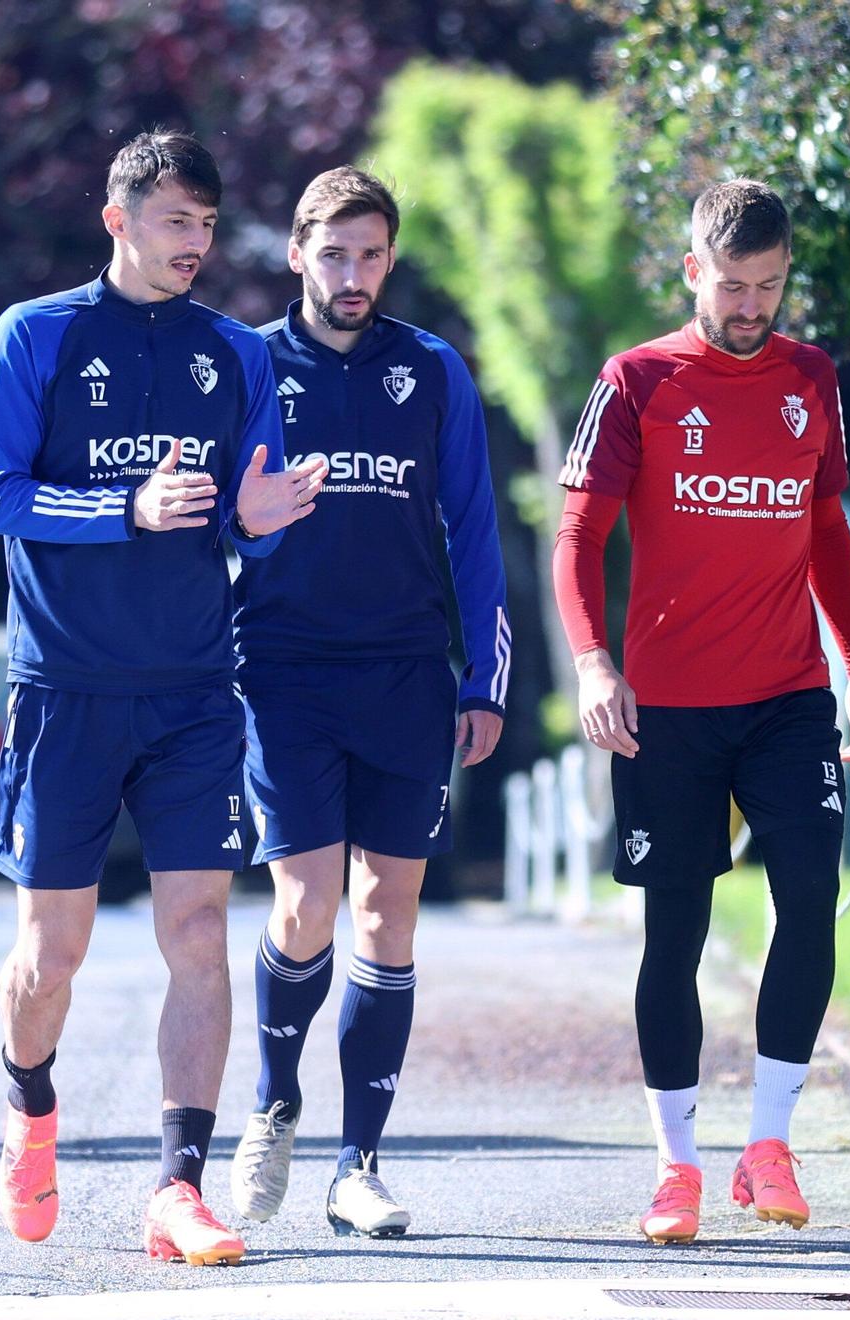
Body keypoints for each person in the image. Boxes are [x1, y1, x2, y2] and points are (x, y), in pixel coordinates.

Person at [0, 130, 328, 1266]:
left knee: (196, 936)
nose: (196, 245)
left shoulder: (235, 355)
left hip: (190, 692)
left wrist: (255, 525)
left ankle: (177, 1185)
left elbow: (244, 516)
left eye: (208, 227)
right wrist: (121, 507)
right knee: (51, 953)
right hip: (64, 689)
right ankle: (28, 1103)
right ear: (117, 219)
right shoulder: (33, 335)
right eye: (176, 222)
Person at [552, 179, 850, 1244]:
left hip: (788, 696)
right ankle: (677, 1164)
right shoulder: (635, 381)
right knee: (674, 934)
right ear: (691, 269)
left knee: (805, 892)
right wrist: (593, 664)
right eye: (732, 285)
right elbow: (575, 539)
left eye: (769, 286)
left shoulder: (808, 377)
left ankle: (768, 1141)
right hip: (669, 712)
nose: (750, 307)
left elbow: (823, 529)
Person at [225, 168, 510, 1238]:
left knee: (387, 917)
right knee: (303, 905)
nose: (353, 276)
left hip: (403, 675)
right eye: (333, 254)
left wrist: (482, 680)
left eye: (372, 256)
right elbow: (205, 516)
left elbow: (473, 531)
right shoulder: (246, 363)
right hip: (283, 669)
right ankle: (271, 1104)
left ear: (390, 259)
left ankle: (359, 1163)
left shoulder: (431, 369)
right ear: (296, 252)